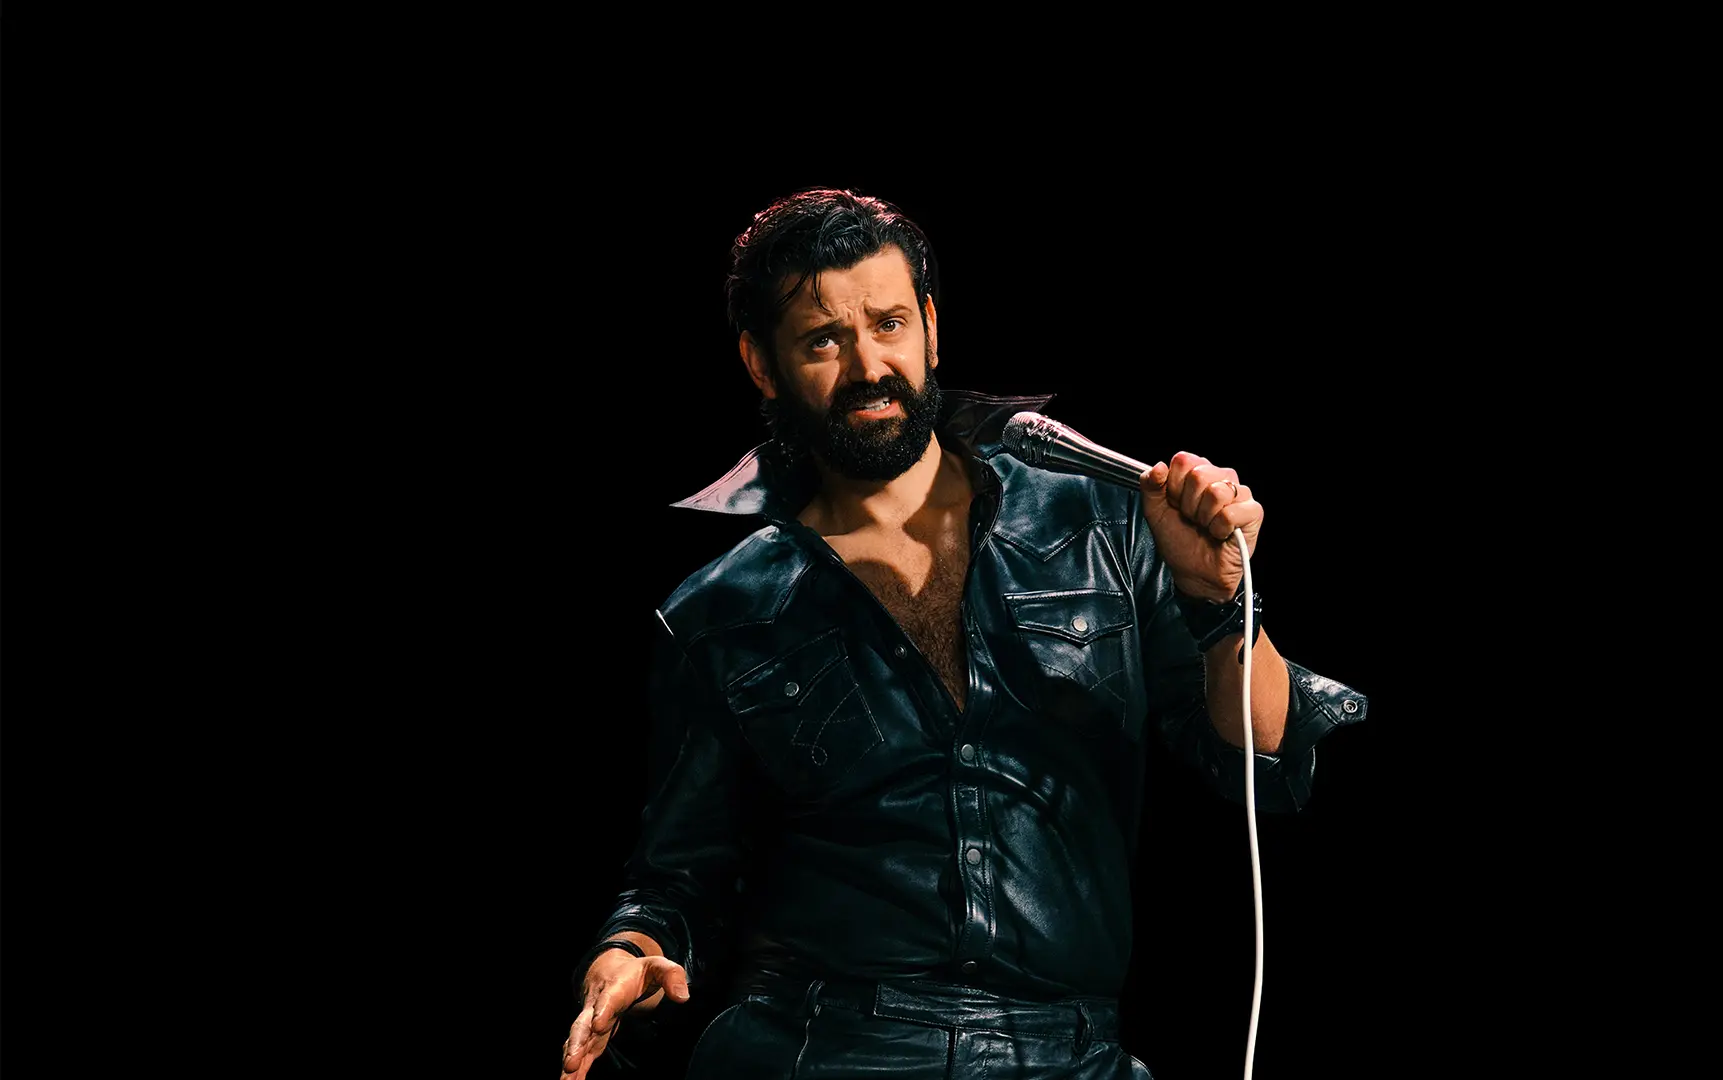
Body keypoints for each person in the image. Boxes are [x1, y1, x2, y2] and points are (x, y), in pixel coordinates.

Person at [558, 188, 1368, 1079]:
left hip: (1069, 1054)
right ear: (762, 363)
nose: (869, 365)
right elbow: (676, 877)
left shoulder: (1100, 520)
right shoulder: (720, 609)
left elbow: (1262, 762)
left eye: (889, 324)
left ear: (932, 329)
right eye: (823, 340)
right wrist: (629, 954)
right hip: (821, 1048)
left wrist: (1222, 603)